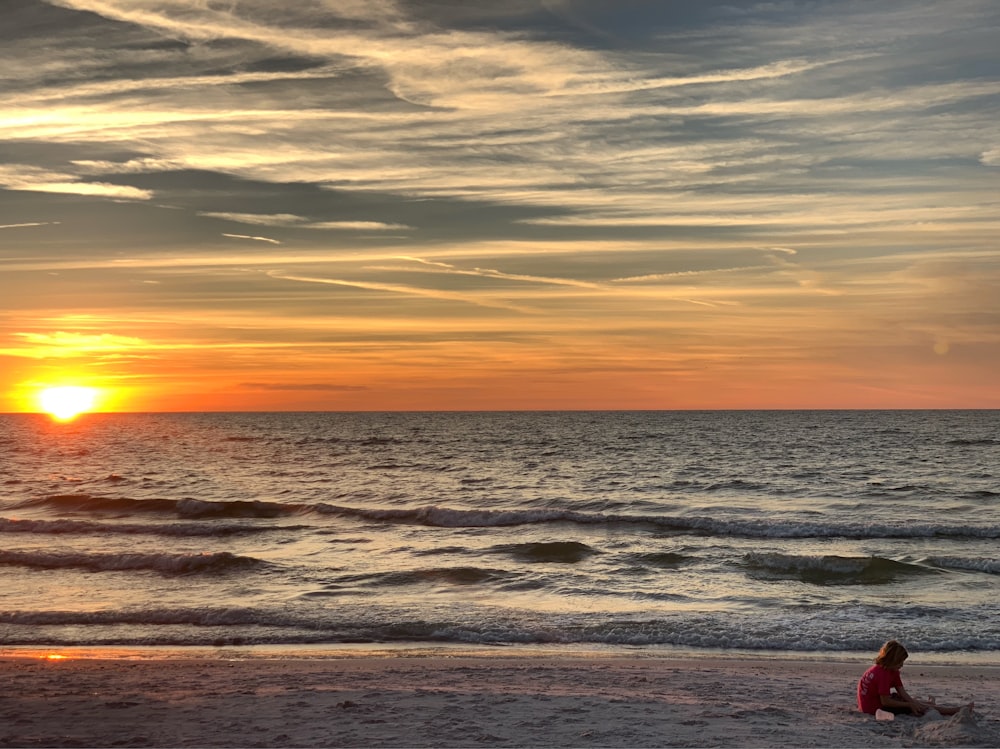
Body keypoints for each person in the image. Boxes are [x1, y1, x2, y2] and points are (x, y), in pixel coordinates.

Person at [857, 640, 973, 716]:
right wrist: (909, 705)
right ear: (892, 661)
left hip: (878, 700)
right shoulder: (882, 673)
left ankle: (929, 704)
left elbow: (903, 693)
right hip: (873, 708)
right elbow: (885, 701)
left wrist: (912, 702)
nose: (902, 665)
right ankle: (954, 711)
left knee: (915, 702)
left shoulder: (892, 670)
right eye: (900, 662)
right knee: (920, 708)